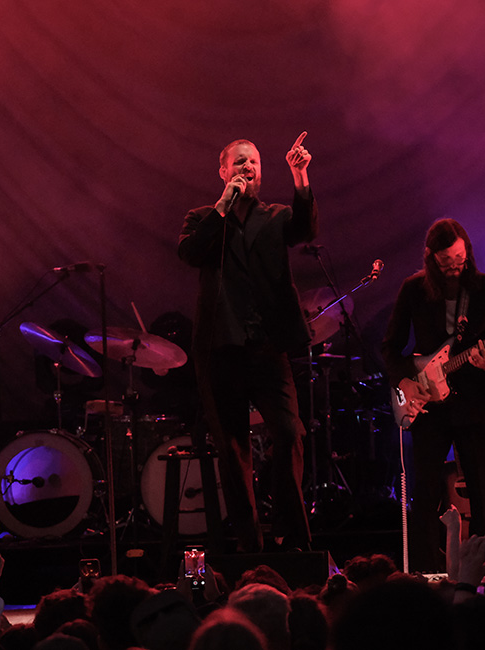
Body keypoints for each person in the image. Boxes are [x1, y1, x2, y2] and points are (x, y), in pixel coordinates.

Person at [178, 132, 317, 552]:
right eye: (239, 162)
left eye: (253, 162)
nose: (247, 167)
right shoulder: (203, 217)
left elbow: (305, 228)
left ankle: (293, 538)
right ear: (223, 171)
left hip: (267, 347)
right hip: (220, 350)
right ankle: (250, 547)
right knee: (233, 450)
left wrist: (300, 176)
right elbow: (189, 254)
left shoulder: (274, 216)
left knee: (289, 432)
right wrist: (222, 205)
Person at [381, 217, 485, 571]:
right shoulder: (414, 289)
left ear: (467, 251)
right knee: (425, 495)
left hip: (476, 405)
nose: (455, 267)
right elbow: (390, 347)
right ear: (431, 258)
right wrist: (404, 381)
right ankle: (424, 570)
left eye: (460, 259)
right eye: (447, 262)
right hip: (429, 407)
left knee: (483, 492)